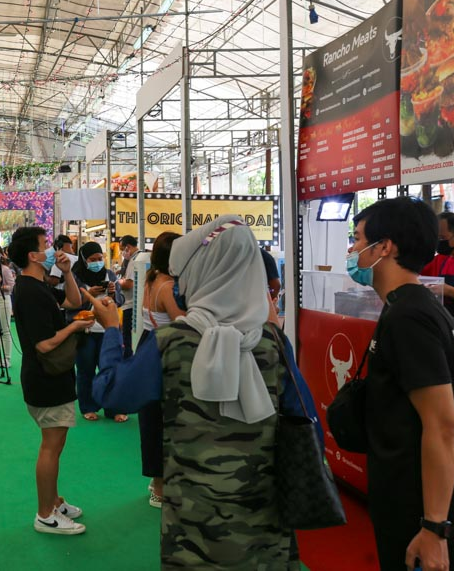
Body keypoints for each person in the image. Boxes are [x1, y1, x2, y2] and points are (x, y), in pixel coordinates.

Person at [93, 216, 311, 568]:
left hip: (193, 522)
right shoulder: (272, 343)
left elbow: (113, 395)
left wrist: (110, 331)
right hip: (265, 514)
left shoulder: (172, 343)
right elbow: (306, 422)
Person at [348, 198, 454, 571]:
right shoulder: (414, 306)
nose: (353, 249)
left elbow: (443, 423)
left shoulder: (409, 317)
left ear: (384, 247)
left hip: (419, 516)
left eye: (358, 239)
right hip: (413, 505)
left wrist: (434, 527)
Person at [8, 226, 93, 536]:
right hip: (45, 377)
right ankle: (45, 514)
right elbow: (43, 344)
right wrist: (75, 328)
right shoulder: (29, 291)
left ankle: (54, 501)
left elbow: (73, 301)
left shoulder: (38, 284)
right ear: (33, 255)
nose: (50, 249)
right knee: (51, 446)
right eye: (45, 245)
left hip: (53, 376)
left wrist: (67, 272)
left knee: (56, 444)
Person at [136, 232, 185, 509]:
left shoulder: (153, 278)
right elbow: (184, 322)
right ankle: (159, 484)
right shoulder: (167, 287)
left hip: (150, 347)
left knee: (154, 419)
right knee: (160, 421)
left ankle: (159, 479)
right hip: (163, 352)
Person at [70, 242, 126, 423]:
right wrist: (88, 293)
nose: (97, 262)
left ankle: (114, 408)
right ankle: (88, 407)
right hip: (85, 330)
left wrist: (113, 293)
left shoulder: (109, 274)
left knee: (112, 370)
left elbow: (120, 300)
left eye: (100, 259)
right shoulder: (75, 276)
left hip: (108, 329)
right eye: (93, 260)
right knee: (86, 371)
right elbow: (70, 303)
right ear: (84, 261)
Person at [117, 235, 148, 350]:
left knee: (128, 338)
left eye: (121, 249)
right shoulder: (137, 258)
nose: (121, 252)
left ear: (128, 247)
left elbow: (129, 284)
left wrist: (116, 282)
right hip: (133, 304)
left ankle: (128, 361)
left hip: (130, 305)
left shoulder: (134, 260)